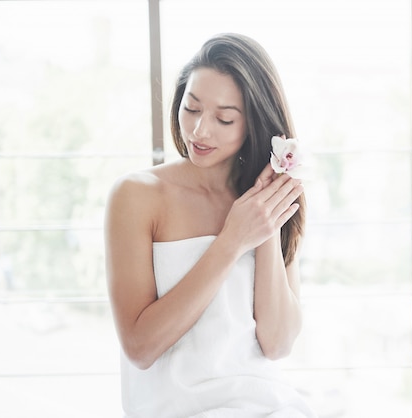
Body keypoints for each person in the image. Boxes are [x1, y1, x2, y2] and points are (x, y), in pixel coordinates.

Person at [104, 33, 316, 418]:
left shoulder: (269, 201)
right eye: (192, 108)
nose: (200, 131)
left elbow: (278, 344)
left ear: (253, 122)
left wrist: (262, 223)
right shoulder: (137, 196)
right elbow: (140, 347)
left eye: (224, 118)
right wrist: (231, 241)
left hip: (268, 404)